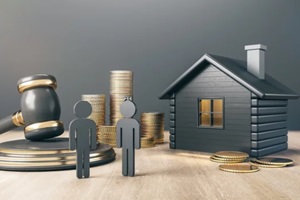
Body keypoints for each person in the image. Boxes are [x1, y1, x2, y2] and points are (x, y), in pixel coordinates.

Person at [69, 101, 97, 178]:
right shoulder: (89, 122)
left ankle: (85, 173)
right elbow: (72, 135)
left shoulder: (89, 123)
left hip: (83, 144)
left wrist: (72, 146)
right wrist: (72, 145)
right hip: (82, 144)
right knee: (81, 158)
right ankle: (81, 173)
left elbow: (93, 134)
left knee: (85, 158)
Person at [116, 97, 141, 177]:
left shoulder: (125, 122)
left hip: (129, 143)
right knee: (126, 156)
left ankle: (129, 172)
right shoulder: (122, 122)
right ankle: (126, 171)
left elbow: (136, 133)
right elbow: (119, 133)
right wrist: (119, 144)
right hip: (127, 143)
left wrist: (137, 145)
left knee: (129, 156)